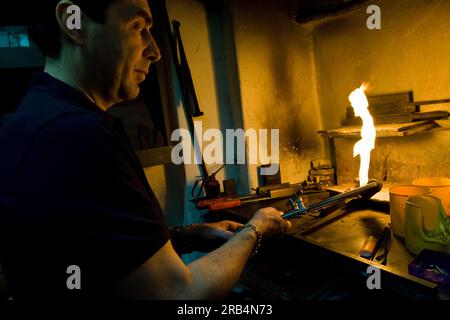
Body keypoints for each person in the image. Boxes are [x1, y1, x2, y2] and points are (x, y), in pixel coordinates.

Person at [0, 0, 291, 299]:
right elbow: (179, 294)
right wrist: (254, 231)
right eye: (138, 27)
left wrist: (180, 237)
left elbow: (91, 251)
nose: (155, 51)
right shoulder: (76, 134)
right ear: (73, 21)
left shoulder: (36, 114)